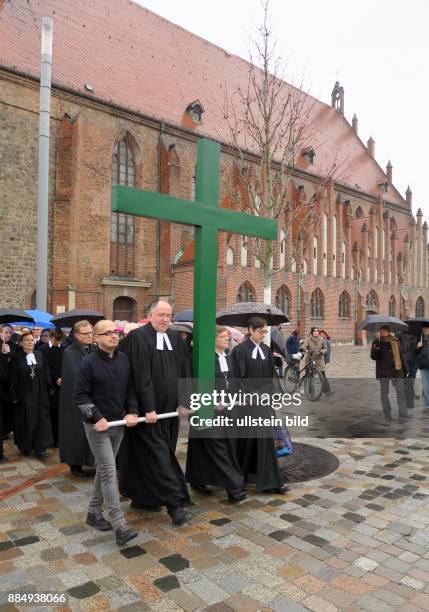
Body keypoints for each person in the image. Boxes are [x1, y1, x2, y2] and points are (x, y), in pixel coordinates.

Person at [118, 301, 192, 526]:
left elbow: (184, 370)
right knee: (161, 458)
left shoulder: (174, 338)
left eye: (169, 315)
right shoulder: (138, 338)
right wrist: (148, 407)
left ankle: (145, 499)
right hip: (146, 414)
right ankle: (174, 505)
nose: (165, 319)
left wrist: (184, 401)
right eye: (161, 315)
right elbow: (140, 376)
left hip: (169, 413)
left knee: (156, 455)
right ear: (149, 315)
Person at [74, 320, 140, 546]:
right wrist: (97, 417)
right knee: (110, 472)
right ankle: (120, 525)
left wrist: (132, 411)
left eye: (117, 332)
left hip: (118, 424)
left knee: (104, 470)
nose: (114, 336)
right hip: (97, 427)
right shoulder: (88, 363)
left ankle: (93, 512)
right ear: (97, 338)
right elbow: (80, 396)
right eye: (108, 333)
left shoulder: (124, 360)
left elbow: (130, 389)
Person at [186, 326, 246, 503]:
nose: (227, 339)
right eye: (223, 336)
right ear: (213, 339)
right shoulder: (204, 359)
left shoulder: (228, 357)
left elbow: (232, 381)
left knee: (205, 447)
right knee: (217, 447)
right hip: (207, 409)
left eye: (228, 336)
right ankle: (233, 487)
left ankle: (196, 478)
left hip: (228, 409)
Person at [230, 316, 288, 494]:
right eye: (260, 331)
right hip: (248, 405)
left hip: (264, 405)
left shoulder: (265, 349)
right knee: (247, 442)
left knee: (265, 442)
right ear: (251, 330)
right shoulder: (239, 351)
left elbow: (271, 377)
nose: (263, 334)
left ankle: (270, 481)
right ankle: (240, 477)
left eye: (265, 331)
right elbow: (237, 379)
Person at [59, 320, 95, 476]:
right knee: (76, 432)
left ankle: (90, 460)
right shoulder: (70, 351)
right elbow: (74, 375)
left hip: (93, 396)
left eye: (91, 333)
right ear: (76, 335)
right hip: (76, 400)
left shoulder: (94, 348)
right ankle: (75, 464)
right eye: (85, 334)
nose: (89, 336)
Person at [10, 332, 52, 458]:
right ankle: (25, 446)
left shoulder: (40, 355)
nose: (30, 342)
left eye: (32, 340)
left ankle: (40, 448)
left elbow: (46, 372)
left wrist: (50, 388)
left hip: (40, 393)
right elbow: (13, 378)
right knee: (26, 421)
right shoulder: (16, 358)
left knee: (41, 419)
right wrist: (14, 395)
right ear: (21, 343)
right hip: (24, 394)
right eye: (26, 340)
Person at [370, 325, 408, 419]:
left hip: (397, 370)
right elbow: (374, 357)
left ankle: (403, 413)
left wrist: (405, 369)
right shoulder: (377, 342)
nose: (382, 333)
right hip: (383, 371)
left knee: (400, 392)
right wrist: (375, 350)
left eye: (383, 331)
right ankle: (387, 412)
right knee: (384, 393)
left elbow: (401, 356)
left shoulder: (395, 341)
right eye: (380, 331)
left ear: (388, 332)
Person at [40, 328, 64, 447]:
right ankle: (50, 439)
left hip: (61, 386)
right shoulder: (42, 350)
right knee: (49, 413)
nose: (57, 342)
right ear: (51, 337)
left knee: (58, 414)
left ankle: (58, 439)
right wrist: (55, 379)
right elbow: (45, 368)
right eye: (55, 340)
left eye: (59, 340)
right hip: (49, 387)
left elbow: (65, 365)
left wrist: (62, 377)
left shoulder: (63, 349)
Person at [0, 324, 18, 450]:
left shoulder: (14, 345)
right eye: (6, 332)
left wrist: (9, 354)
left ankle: (6, 429)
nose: (8, 335)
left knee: (8, 408)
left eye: (10, 333)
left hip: (9, 384)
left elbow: (16, 362)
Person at [302, 327, 332, 395]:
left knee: (323, 375)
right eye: (314, 332)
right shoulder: (308, 339)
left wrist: (321, 352)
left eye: (317, 331)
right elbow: (304, 345)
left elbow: (325, 347)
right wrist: (304, 349)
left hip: (319, 359)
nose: (316, 333)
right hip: (310, 358)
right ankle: (311, 392)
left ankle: (327, 391)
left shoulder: (321, 339)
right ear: (312, 333)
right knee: (310, 375)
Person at [414, 324, 429, 413]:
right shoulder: (420, 338)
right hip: (424, 365)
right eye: (423, 328)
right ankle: (427, 405)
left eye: (426, 328)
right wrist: (417, 347)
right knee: (426, 386)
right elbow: (415, 352)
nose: (424, 330)